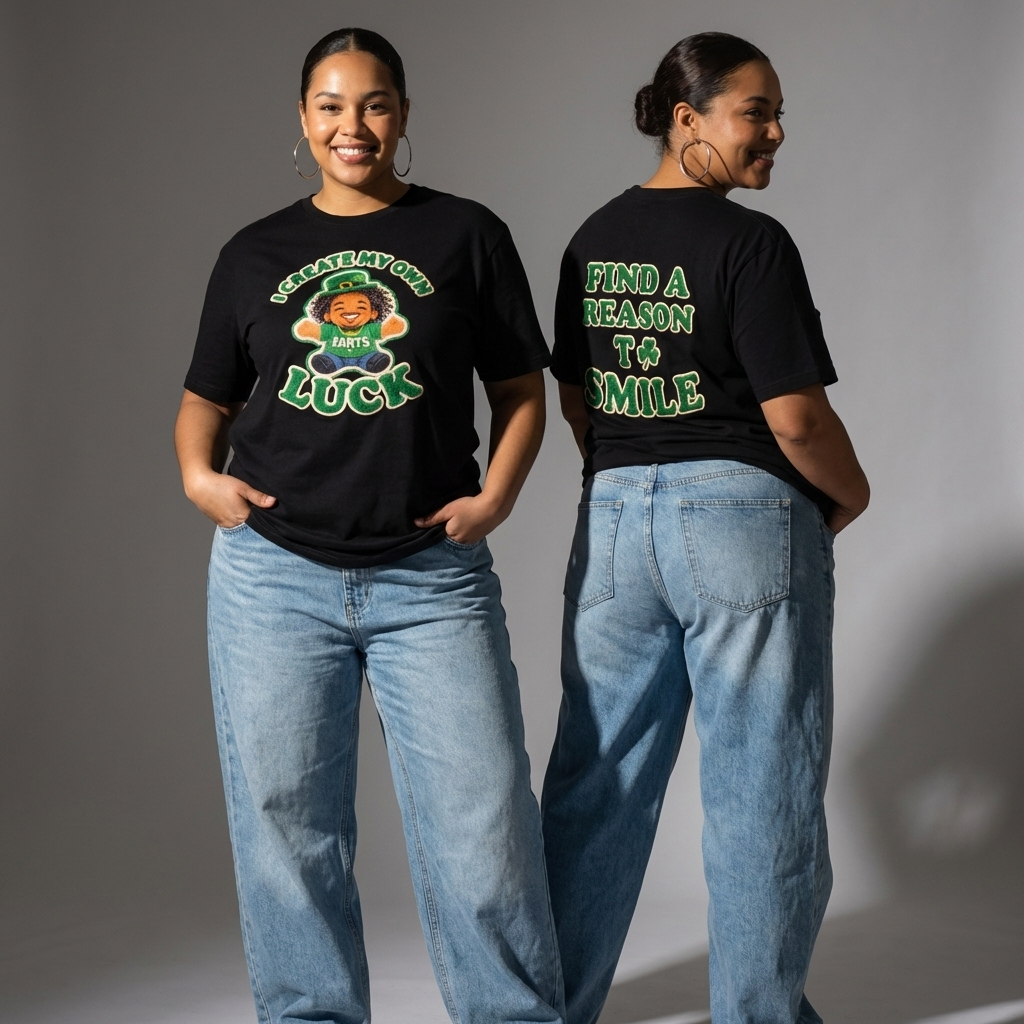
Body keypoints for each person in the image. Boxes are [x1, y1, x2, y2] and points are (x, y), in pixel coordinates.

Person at [174, 27, 564, 1024]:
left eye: (375, 103)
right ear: (303, 123)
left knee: (482, 825)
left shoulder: (465, 234)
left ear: (403, 114)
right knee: (286, 826)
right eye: (333, 106)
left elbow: (523, 391)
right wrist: (195, 475)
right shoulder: (253, 251)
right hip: (272, 576)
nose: (355, 125)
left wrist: (499, 497)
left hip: (432, 576)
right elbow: (204, 397)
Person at [540, 32, 869, 1024]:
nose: (773, 134)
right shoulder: (748, 245)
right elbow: (795, 417)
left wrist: (632, 479)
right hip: (740, 515)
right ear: (686, 119)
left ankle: (541, 1011)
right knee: (759, 779)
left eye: (776, 116)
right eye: (752, 113)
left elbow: (578, 399)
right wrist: (847, 497)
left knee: (595, 786)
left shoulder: (592, 238)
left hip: (614, 516)